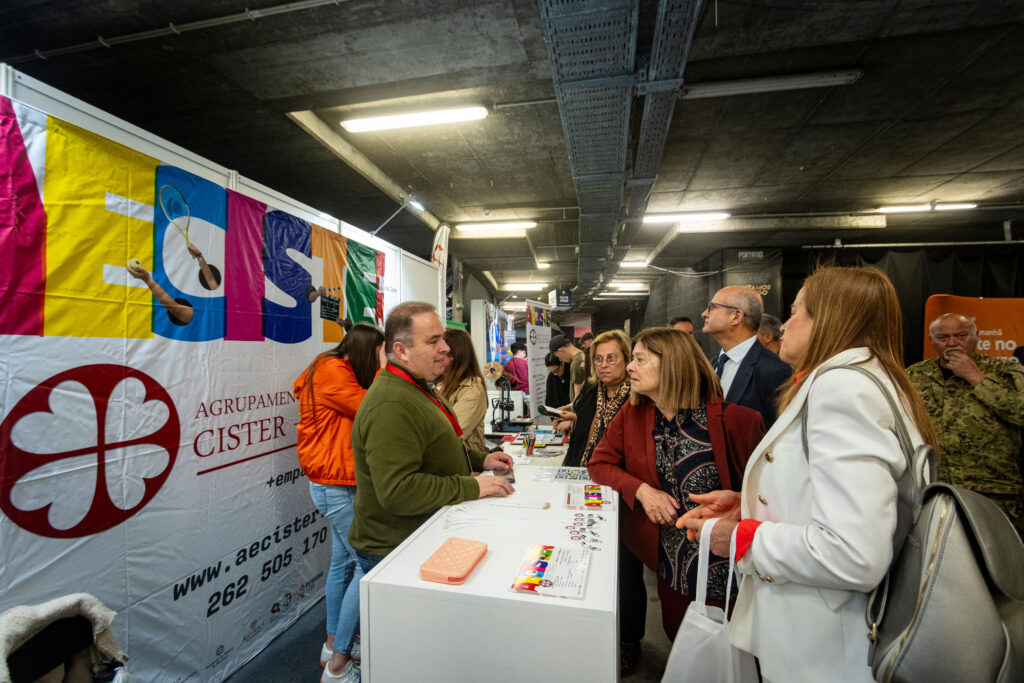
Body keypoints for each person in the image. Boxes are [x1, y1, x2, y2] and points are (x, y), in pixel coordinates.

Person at [678, 266, 939, 683]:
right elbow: (824, 492)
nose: (784, 325)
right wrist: (747, 505)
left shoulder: (843, 390)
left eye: (797, 311)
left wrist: (745, 538)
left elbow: (852, 553)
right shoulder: (863, 379)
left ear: (831, 319)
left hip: (826, 647)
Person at [587, 327, 763, 670]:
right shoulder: (634, 415)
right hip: (671, 569)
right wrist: (642, 490)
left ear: (672, 365)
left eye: (640, 359)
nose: (630, 367)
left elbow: (769, 499)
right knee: (681, 646)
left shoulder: (737, 423)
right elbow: (599, 463)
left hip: (729, 573)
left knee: (735, 660)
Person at [349, 302, 515, 571]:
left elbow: (436, 445)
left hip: (418, 537)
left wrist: (480, 460)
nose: (446, 348)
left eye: (443, 339)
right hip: (395, 549)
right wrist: (470, 487)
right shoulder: (391, 403)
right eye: (433, 341)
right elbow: (398, 490)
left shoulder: (418, 386)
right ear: (401, 351)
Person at [293, 322, 385, 683]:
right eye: (378, 355)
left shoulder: (330, 368)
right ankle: (339, 665)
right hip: (336, 484)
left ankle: (333, 645)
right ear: (365, 351)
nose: (380, 363)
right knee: (367, 565)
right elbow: (368, 406)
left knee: (344, 563)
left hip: (336, 482)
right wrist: (384, 373)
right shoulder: (331, 370)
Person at [907, 313, 1024, 537]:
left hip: (994, 492)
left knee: (997, 554)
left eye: (961, 336)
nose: (952, 343)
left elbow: (1020, 412)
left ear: (977, 336)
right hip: (936, 491)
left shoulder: (1005, 371)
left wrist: (976, 377)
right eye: (943, 337)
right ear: (932, 341)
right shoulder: (914, 375)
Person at [702, 286, 790, 427]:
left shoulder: (775, 369)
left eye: (712, 307)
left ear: (736, 316)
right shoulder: (713, 364)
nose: (704, 314)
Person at [554, 330, 632, 468]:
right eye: (598, 359)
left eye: (611, 358)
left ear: (627, 360)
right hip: (581, 472)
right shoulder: (589, 395)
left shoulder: (635, 400)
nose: (603, 365)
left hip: (615, 476)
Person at [438, 328, 489, 453]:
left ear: (454, 354)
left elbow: (453, 433)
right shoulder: (439, 383)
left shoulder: (472, 390)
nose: (435, 355)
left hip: (463, 459)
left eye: (441, 351)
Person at [550, 334, 586, 400]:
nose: (560, 360)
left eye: (557, 356)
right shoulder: (583, 355)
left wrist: (573, 406)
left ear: (560, 350)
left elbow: (578, 398)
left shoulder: (577, 362)